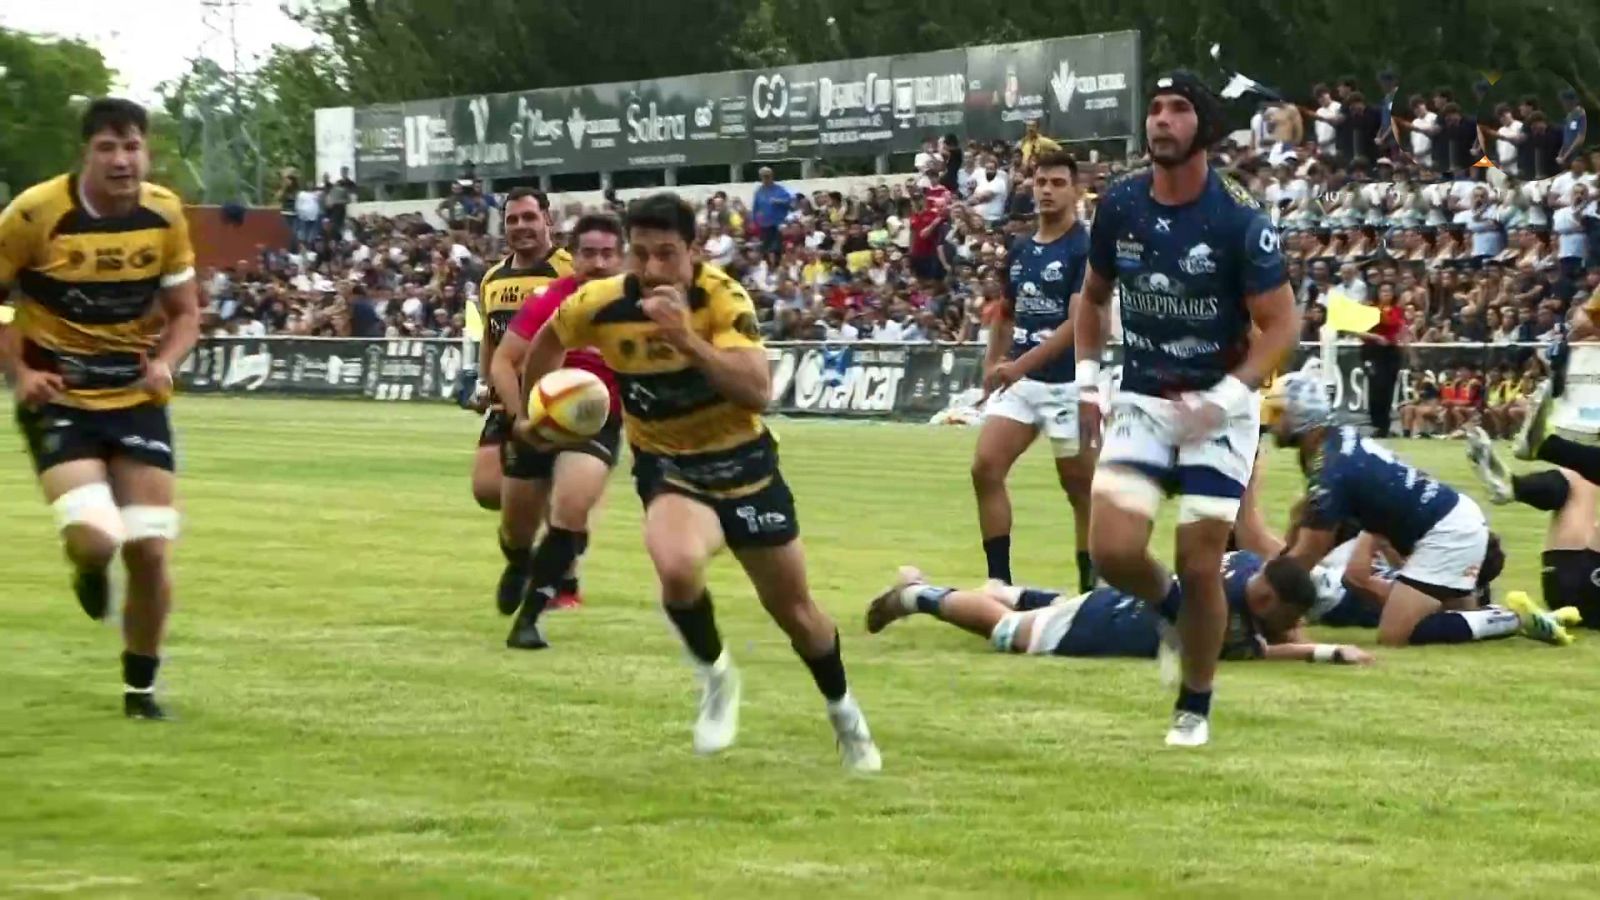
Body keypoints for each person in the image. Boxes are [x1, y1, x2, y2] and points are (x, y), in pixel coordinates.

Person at [510, 193, 881, 771]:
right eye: (641, 255)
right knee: (677, 565)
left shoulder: (722, 298)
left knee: (796, 614)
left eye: (667, 254)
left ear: (692, 251)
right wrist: (538, 410)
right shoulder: (600, 302)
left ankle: (843, 712)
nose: (653, 269)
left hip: (747, 469)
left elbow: (758, 391)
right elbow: (547, 342)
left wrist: (684, 338)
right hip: (671, 469)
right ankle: (716, 677)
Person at [1073, 72, 1301, 747]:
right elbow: (1091, 298)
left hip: (1221, 407)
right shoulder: (1119, 206)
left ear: (1201, 126)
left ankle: (1193, 706)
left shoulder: (1237, 218)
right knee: (1112, 552)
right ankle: (1170, 607)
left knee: (1202, 561)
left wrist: (1230, 395)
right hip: (1143, 396)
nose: (1161, 121)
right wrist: (1088, 382)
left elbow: (1283, 325)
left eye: (1177, 110)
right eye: (1155, 109)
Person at [0, 98, 201, 719]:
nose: (122, 160)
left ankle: (140, 690)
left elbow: (187, 314)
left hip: (135, 398)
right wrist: (20, 371)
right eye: (108, 148)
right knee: (95, 540)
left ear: (147, 151)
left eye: (132, 146)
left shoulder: (165, 214)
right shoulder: (33, 214)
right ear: (85, 154)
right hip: (59, 394)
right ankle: (87, 567)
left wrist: (167, 361)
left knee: (149, 545)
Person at [1273, 377, 1576, 648]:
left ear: (1302, 416)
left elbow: (1310, 551)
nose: (1271, 422)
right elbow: (1307, 519)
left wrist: (1267, 596)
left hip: (1444, 531)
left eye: (1277, 414)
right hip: (1449, 520)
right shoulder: (1334, 443)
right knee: (1461, 619)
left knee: (1395, 634)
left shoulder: (1330, 466)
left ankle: (1513, 618)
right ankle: (1535, 619)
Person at [491, 214, 626, 643]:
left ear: (622, 257)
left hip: (595, 423)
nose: (599, 263)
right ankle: (517, 561)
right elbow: (503, 360)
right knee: (517, 529)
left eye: (608, 254)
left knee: (568, 514)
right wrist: (519, 419)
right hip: (539, 418)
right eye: (589, 253)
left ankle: (528, 621)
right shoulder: (552, 299)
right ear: (575, 255)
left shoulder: (636, 305)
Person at [863, 551, 1371, 665]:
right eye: (1289, 615)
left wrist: (1300, 637)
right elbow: (1262, 650)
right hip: (1103, 624)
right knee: (1012, 632)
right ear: (1264, 600)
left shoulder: (1248, 564)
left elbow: (1278, 630)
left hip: (1122, 600)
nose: (1295, 626)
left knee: (1046, 605)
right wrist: (1324, 653)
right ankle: (917, 596)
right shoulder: (1223, 617)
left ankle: (993, 586)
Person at [972, 149, 1093, 591]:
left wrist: (1016, 366)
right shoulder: (1021, 248)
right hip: (1021, 383)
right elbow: (1006, 312)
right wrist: (991, 364)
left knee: (1080, 490)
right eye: (1040, 182)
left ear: (1076, 191)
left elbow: (1078, 325)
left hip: (1070, 384)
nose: (1046, 190)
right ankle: (998, 583)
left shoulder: (1085, 248)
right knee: (985, 467)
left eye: (1058, 182)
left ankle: (1089, 590)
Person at [470, 188, 574, 615]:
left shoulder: (568, 270)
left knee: (552, 489)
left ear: (547, 219)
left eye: (529, 218)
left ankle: (555, 578)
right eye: (512, 220)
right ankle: (527, 557)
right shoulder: (493, 278)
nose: (520, 227)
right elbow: (491, 339)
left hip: (556, 401)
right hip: (506, 399)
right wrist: (482, 384)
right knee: (487, 490)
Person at [1468, 426, 1596, 627]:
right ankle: (1521, 477)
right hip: (1588, 578)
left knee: (1578, 481)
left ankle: (1517, 486)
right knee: (1581, 478)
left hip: (1562, 584)